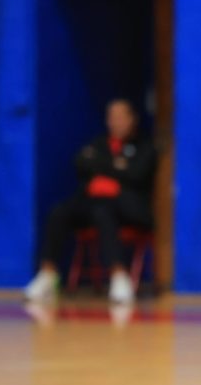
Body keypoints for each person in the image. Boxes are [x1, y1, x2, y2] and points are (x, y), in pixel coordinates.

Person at [25, 99, 155, 304]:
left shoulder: (145, 146)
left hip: (131, 209)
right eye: (112, 117)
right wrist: (116, 168)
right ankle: (47, 274)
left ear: (132, 119)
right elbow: (81, 163)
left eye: (121, 117)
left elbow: (136, 174)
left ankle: (119, 275)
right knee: (60, 211)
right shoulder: (99, 143)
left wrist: (103, 171)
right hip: (96, 205)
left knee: (104, 211)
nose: (116, 122)